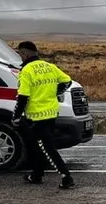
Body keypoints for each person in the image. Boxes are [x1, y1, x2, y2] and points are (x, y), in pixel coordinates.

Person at [12, 41, 76, 188]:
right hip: (51, 112)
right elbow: (67, 81)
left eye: (20, 54)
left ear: (25, 54)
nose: (20, 57)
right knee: (38, 146)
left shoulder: (27, 71)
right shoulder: (50, 67)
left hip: (36, 116)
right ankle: (36, 175)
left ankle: (66, 176)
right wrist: (55, 92)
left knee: (47, 148)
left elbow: (23, 96)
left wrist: (16, 116)